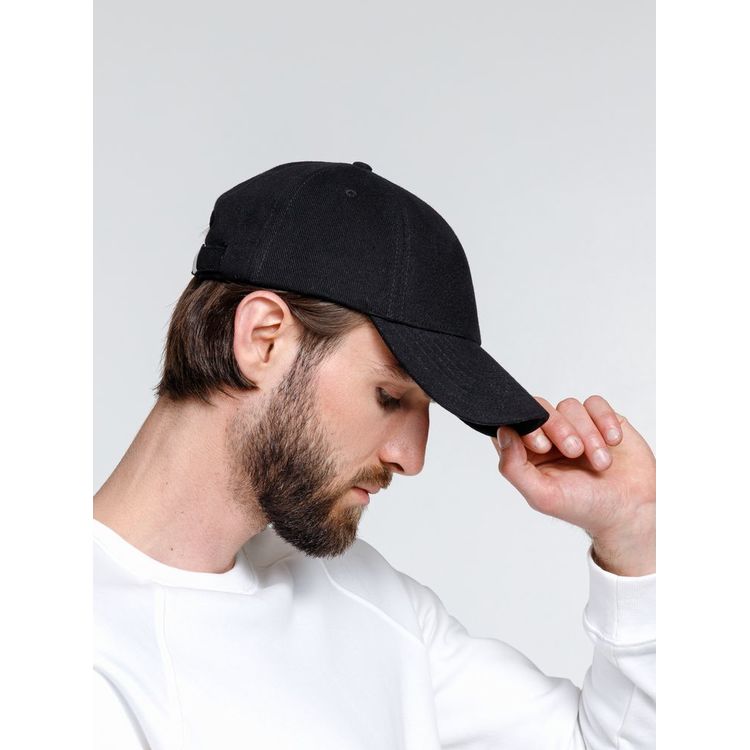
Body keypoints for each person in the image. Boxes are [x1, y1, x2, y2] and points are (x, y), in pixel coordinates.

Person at [93, 160, 655, 749]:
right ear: (264, 338)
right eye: (389, 395)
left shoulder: (366, 598)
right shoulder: (91, 657)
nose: (412, 458)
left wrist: (636, 532)